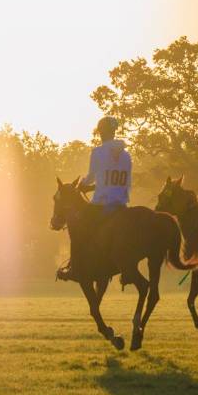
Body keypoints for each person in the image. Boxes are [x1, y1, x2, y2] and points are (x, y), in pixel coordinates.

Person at [58, 116, 133, 281]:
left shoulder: (98, 152)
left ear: (102, 132)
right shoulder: (127, 156)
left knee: (77, 230)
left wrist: (82, 186)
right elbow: (124, 181)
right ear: (114, 132)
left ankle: (74, 268)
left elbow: (92, 177)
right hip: (121, 204)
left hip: (102, 204)